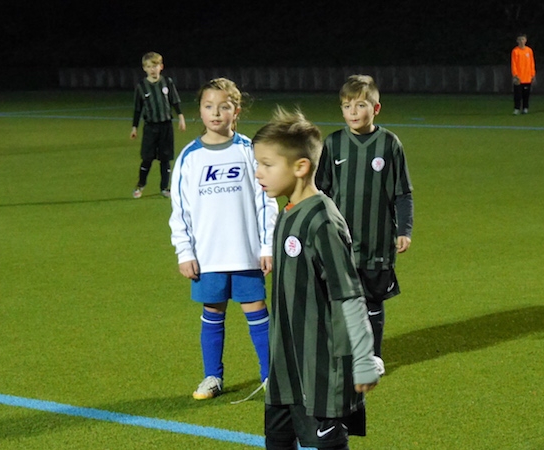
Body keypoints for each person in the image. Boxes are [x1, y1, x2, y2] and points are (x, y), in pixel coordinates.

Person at [253, 107, 379, 450]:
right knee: (277, 440)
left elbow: (349, 294)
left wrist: (363, 357)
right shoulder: (287, 213)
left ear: (300, 167)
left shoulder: (322, 221)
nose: (258, 172)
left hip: (321, 367)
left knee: (327, 444)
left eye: (267, 164)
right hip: (285, 365)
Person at [169, 78, 277, 400]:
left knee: (256, 309)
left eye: (224, 107)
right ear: (200, 111)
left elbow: (266, 200)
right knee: (212, 312)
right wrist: (184, 252)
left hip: (246, 252)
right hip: (207, 255)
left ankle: (272, 376)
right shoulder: (190, 158)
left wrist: (268, 245)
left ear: (236, 111)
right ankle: (212, 376)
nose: (216, 113)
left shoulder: (248, 151)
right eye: (208, 106)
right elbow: (180, 210)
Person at [315, 75, 414, 378]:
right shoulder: (333, 144)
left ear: (376, 108)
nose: (353, 112)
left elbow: (402, 192)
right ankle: (341, 354)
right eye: (347, 106)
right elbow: (320, 191)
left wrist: (404, 230)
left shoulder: (389, 144)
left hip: (377, 240)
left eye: (360, 105)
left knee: (372, 300)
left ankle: (373, 355)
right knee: (338, 300)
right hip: (339, 242)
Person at [130, 51, 187, 199]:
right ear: (144, 68)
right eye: (149, 67)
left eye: (155, 66)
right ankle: (140, 185)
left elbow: (175, 101)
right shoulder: (141, 86)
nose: (152, 69)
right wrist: (134, 127)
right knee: (147, 158)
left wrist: (181, 117)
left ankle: (165, 188)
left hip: (166, 126)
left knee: (165, 159)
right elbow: (137, 109)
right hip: (150, 127)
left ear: (161, 67)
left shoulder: (167, 82)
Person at [511, 33, 536, 115]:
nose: (521, 41)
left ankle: (525, 108)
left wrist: (533, 74)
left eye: (523, 39)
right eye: (520, 39)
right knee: (517, 95)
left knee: (526, 94)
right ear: (517, 41)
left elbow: (532, 63)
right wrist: (515, 75)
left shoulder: (529, 50)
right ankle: (517, 108)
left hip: (527, 77)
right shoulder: (515, 51)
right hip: (519, 77)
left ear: (526, 40)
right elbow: (514, 64)